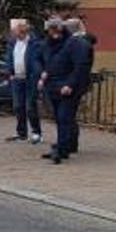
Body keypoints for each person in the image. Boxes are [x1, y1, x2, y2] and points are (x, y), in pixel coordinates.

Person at [40, 18, 90, 163]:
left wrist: (70, 84)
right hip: (54, 85)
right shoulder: (50, 44)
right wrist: (45, 74)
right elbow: (50, 62)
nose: (52, 33)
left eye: (55, 29)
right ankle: (62, 146)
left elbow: (80, 66)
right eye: (50, 30)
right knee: (59, 118)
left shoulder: (74, 44)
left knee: (64, 118)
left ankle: (62, 149)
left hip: (67, 87)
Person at [4, 20, 43, 144]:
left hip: (30, 78)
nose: (13, 33)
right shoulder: (12, 43)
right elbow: (10, 58)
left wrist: (37, 74)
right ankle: (21, 133)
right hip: (17, 78)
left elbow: (37, 60)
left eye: (15, 31)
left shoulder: (34, 43)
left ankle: (36, 132)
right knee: (17, 106)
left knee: (30, 107)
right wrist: (10, 71)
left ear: (22, 31)